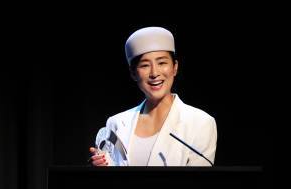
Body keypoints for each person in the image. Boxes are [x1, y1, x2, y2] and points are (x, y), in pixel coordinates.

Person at [89, 27, 217, 166]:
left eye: (162, 63)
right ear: (133, 73)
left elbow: (200, 185)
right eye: (144, 65)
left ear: (175, 67)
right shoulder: (116, 123)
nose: (154, 73)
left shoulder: (200, 123)